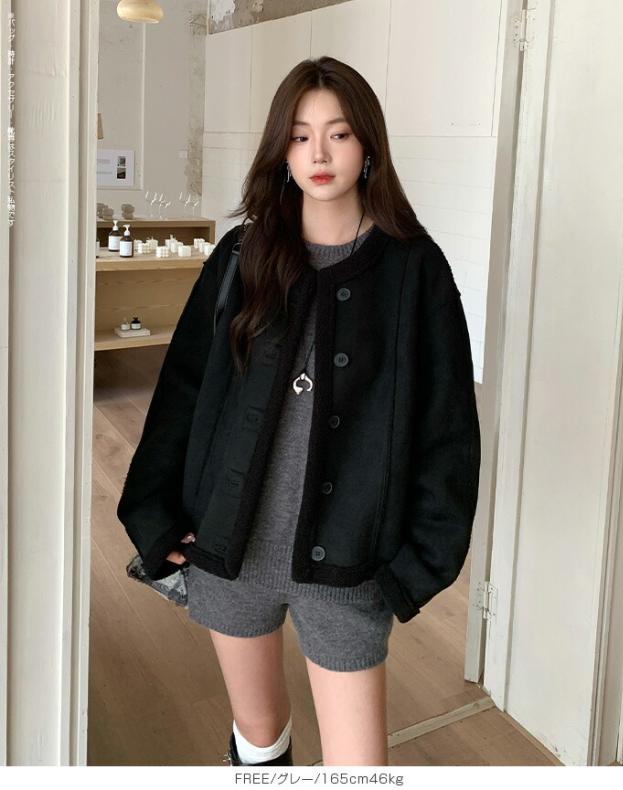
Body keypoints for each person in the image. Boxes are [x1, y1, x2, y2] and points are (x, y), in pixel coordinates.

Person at [117, 56, 481, 767]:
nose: (319, 154)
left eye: (338, 134)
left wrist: (415, 567)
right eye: (300, 135)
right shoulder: (241, 256)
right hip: (229, 548)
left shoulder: (415, 271)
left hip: (350, 563)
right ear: (281, 149)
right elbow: (184, 391)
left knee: (360, 767)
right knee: (259, 738)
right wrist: (153, 514)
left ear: (368, 145)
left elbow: (447, 430)